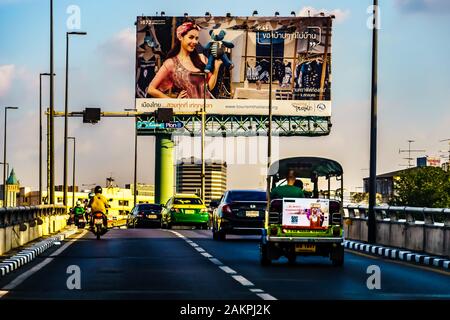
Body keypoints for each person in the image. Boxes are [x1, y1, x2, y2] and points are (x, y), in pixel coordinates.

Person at [147, 21, 223, 99]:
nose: (195, 42)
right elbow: (151, 89)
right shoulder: (171, 63)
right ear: (180, 37)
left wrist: (216, 68)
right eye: (191, 37)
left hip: (205, 108)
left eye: (196, 38)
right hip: (185, 109)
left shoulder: (201, 59)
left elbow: (208, 88)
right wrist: (173, 102)